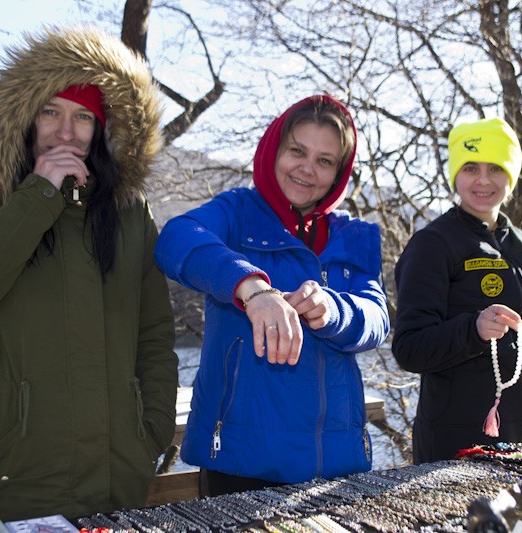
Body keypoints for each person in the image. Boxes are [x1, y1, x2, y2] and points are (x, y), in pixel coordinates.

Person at [0, 27, 179, 521]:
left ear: (103, 130)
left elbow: (155, 331)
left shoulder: (128, 212)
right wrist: (36, 196)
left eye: (82, 117)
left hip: (113, 479)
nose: (66, 132)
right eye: (50, 111)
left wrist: (150, 428)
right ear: (25, 117)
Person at [154, 94, 390, 496]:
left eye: (325, 161)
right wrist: (253, 288)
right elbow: (175, 239)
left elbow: (376, 318)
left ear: (338, 173)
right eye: (297, 151)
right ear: (273, 150)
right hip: (240, 461)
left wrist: (335, 309)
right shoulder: (235, 212)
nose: (307, 169)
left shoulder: (354, 235)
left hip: (337, 462)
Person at [392, 116, 522, 463]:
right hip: (454, 440)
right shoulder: (431, 244)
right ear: (455, 175)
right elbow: (408, 349)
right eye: (470, 168)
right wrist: (472, 329)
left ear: (511, 174)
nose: (483, 180)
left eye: (495, 168)